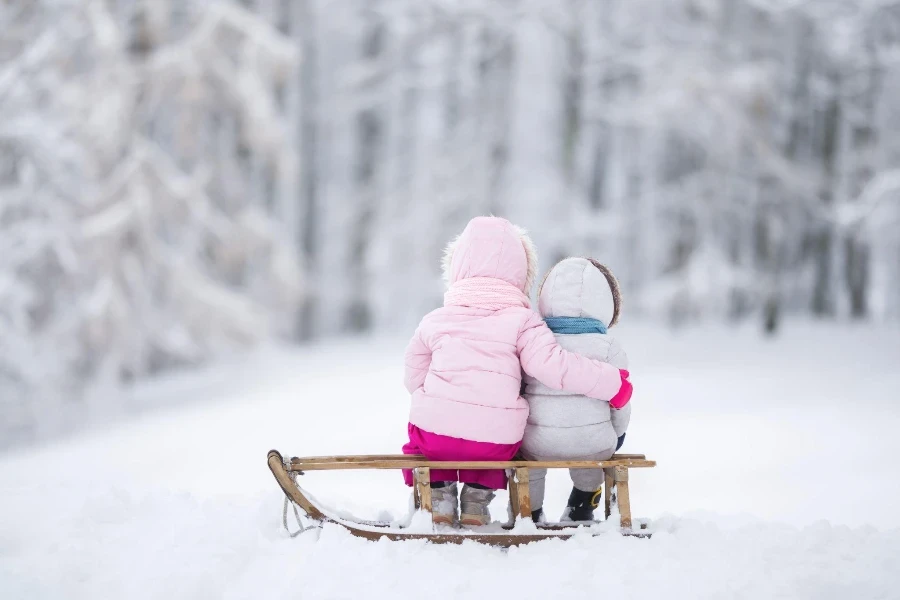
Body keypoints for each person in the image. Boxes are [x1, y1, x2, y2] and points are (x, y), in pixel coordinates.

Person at [402, 218, 632, 526]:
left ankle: (440, 495)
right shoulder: (524, 321)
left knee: (426, 432)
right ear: (522, 272)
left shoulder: (434, 320)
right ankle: (476, 501)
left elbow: (412, 378)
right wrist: (611, 382)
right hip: (496, 443)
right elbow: (553, 366)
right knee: (495, 431)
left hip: (436, 437)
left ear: (456, 266)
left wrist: (437, 400)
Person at [521, 257, 631, 523]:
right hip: (593, 441)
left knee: (531, 462)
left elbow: (519, 389)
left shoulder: (534, 343)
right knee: (594, 447)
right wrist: (616, 435)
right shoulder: (609, 348)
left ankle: (531, 510)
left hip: (536, 441)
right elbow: (621, 402)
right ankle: (582, 504)